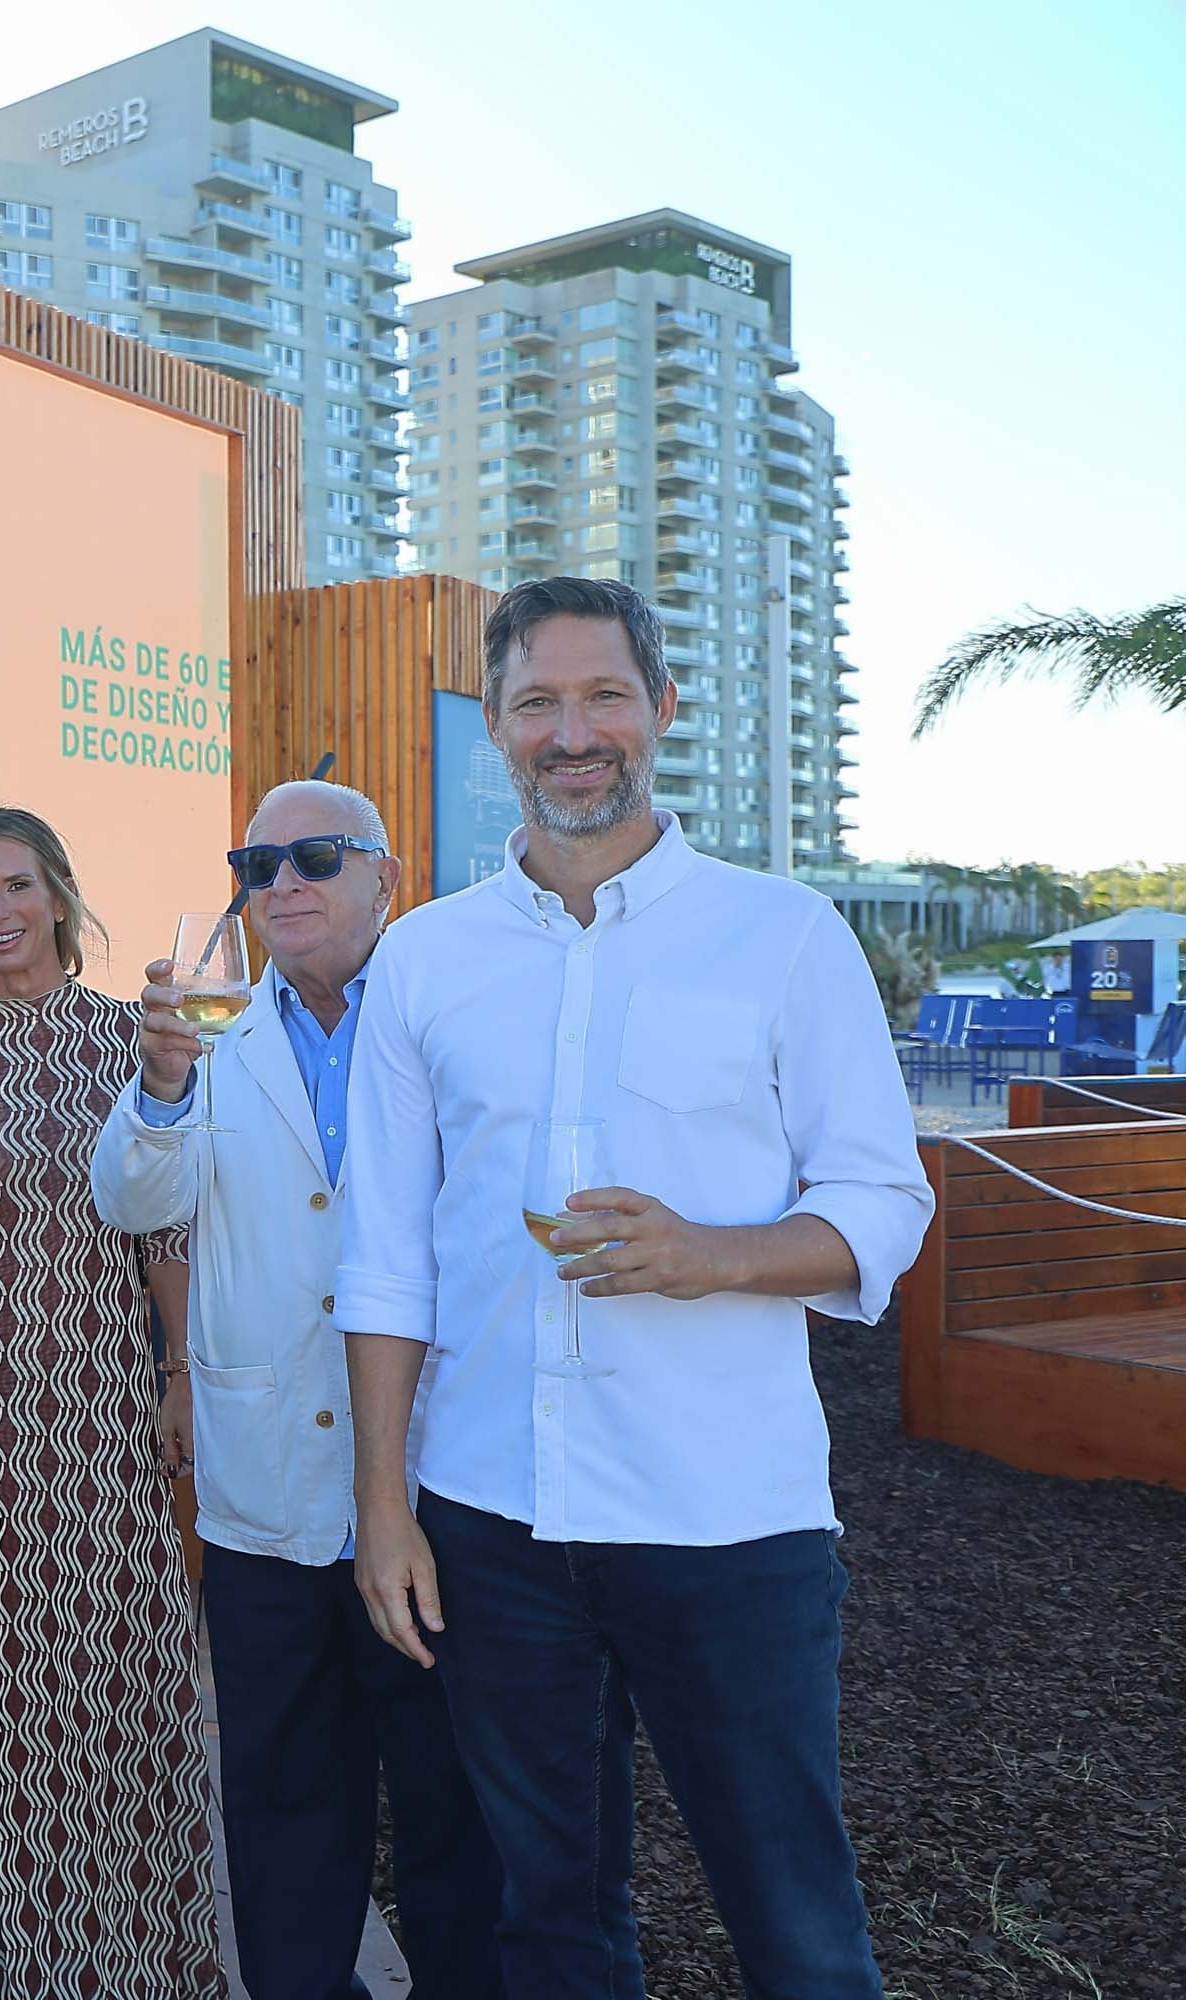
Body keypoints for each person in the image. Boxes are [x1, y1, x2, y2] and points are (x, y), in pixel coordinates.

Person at [335, 577, 933, 1998]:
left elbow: (882, 1205)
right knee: (550, 1919)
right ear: (496, 728)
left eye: (604, 694)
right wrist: (381, 1510)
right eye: (538, 701)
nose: (573, 729)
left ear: (662, 711)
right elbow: (384, 1259)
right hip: (492, 1519)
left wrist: (710, 1256)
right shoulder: (424, 962)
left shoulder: (783, 937)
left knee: (794, 1920)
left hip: (725, 1516)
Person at [90, 780, 506, 2000]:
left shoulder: (448, 1013)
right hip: (265, 1494)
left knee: (449, 1806)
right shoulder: (207, 1033)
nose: (282, 882)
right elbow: (134, 1199)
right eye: (255, 862)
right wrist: (160, 1086)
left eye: (315, 855)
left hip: (434, 1486)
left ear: (386, 872)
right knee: (283, 1808)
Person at [0, 807, 222, 2000]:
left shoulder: (133, 1041)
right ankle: (1, 1940)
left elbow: (169, 1224)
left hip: (104, 1394)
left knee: (117, 1663)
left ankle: (132, 1947)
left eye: (16, 884)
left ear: (60, 896)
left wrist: (179, 1374)